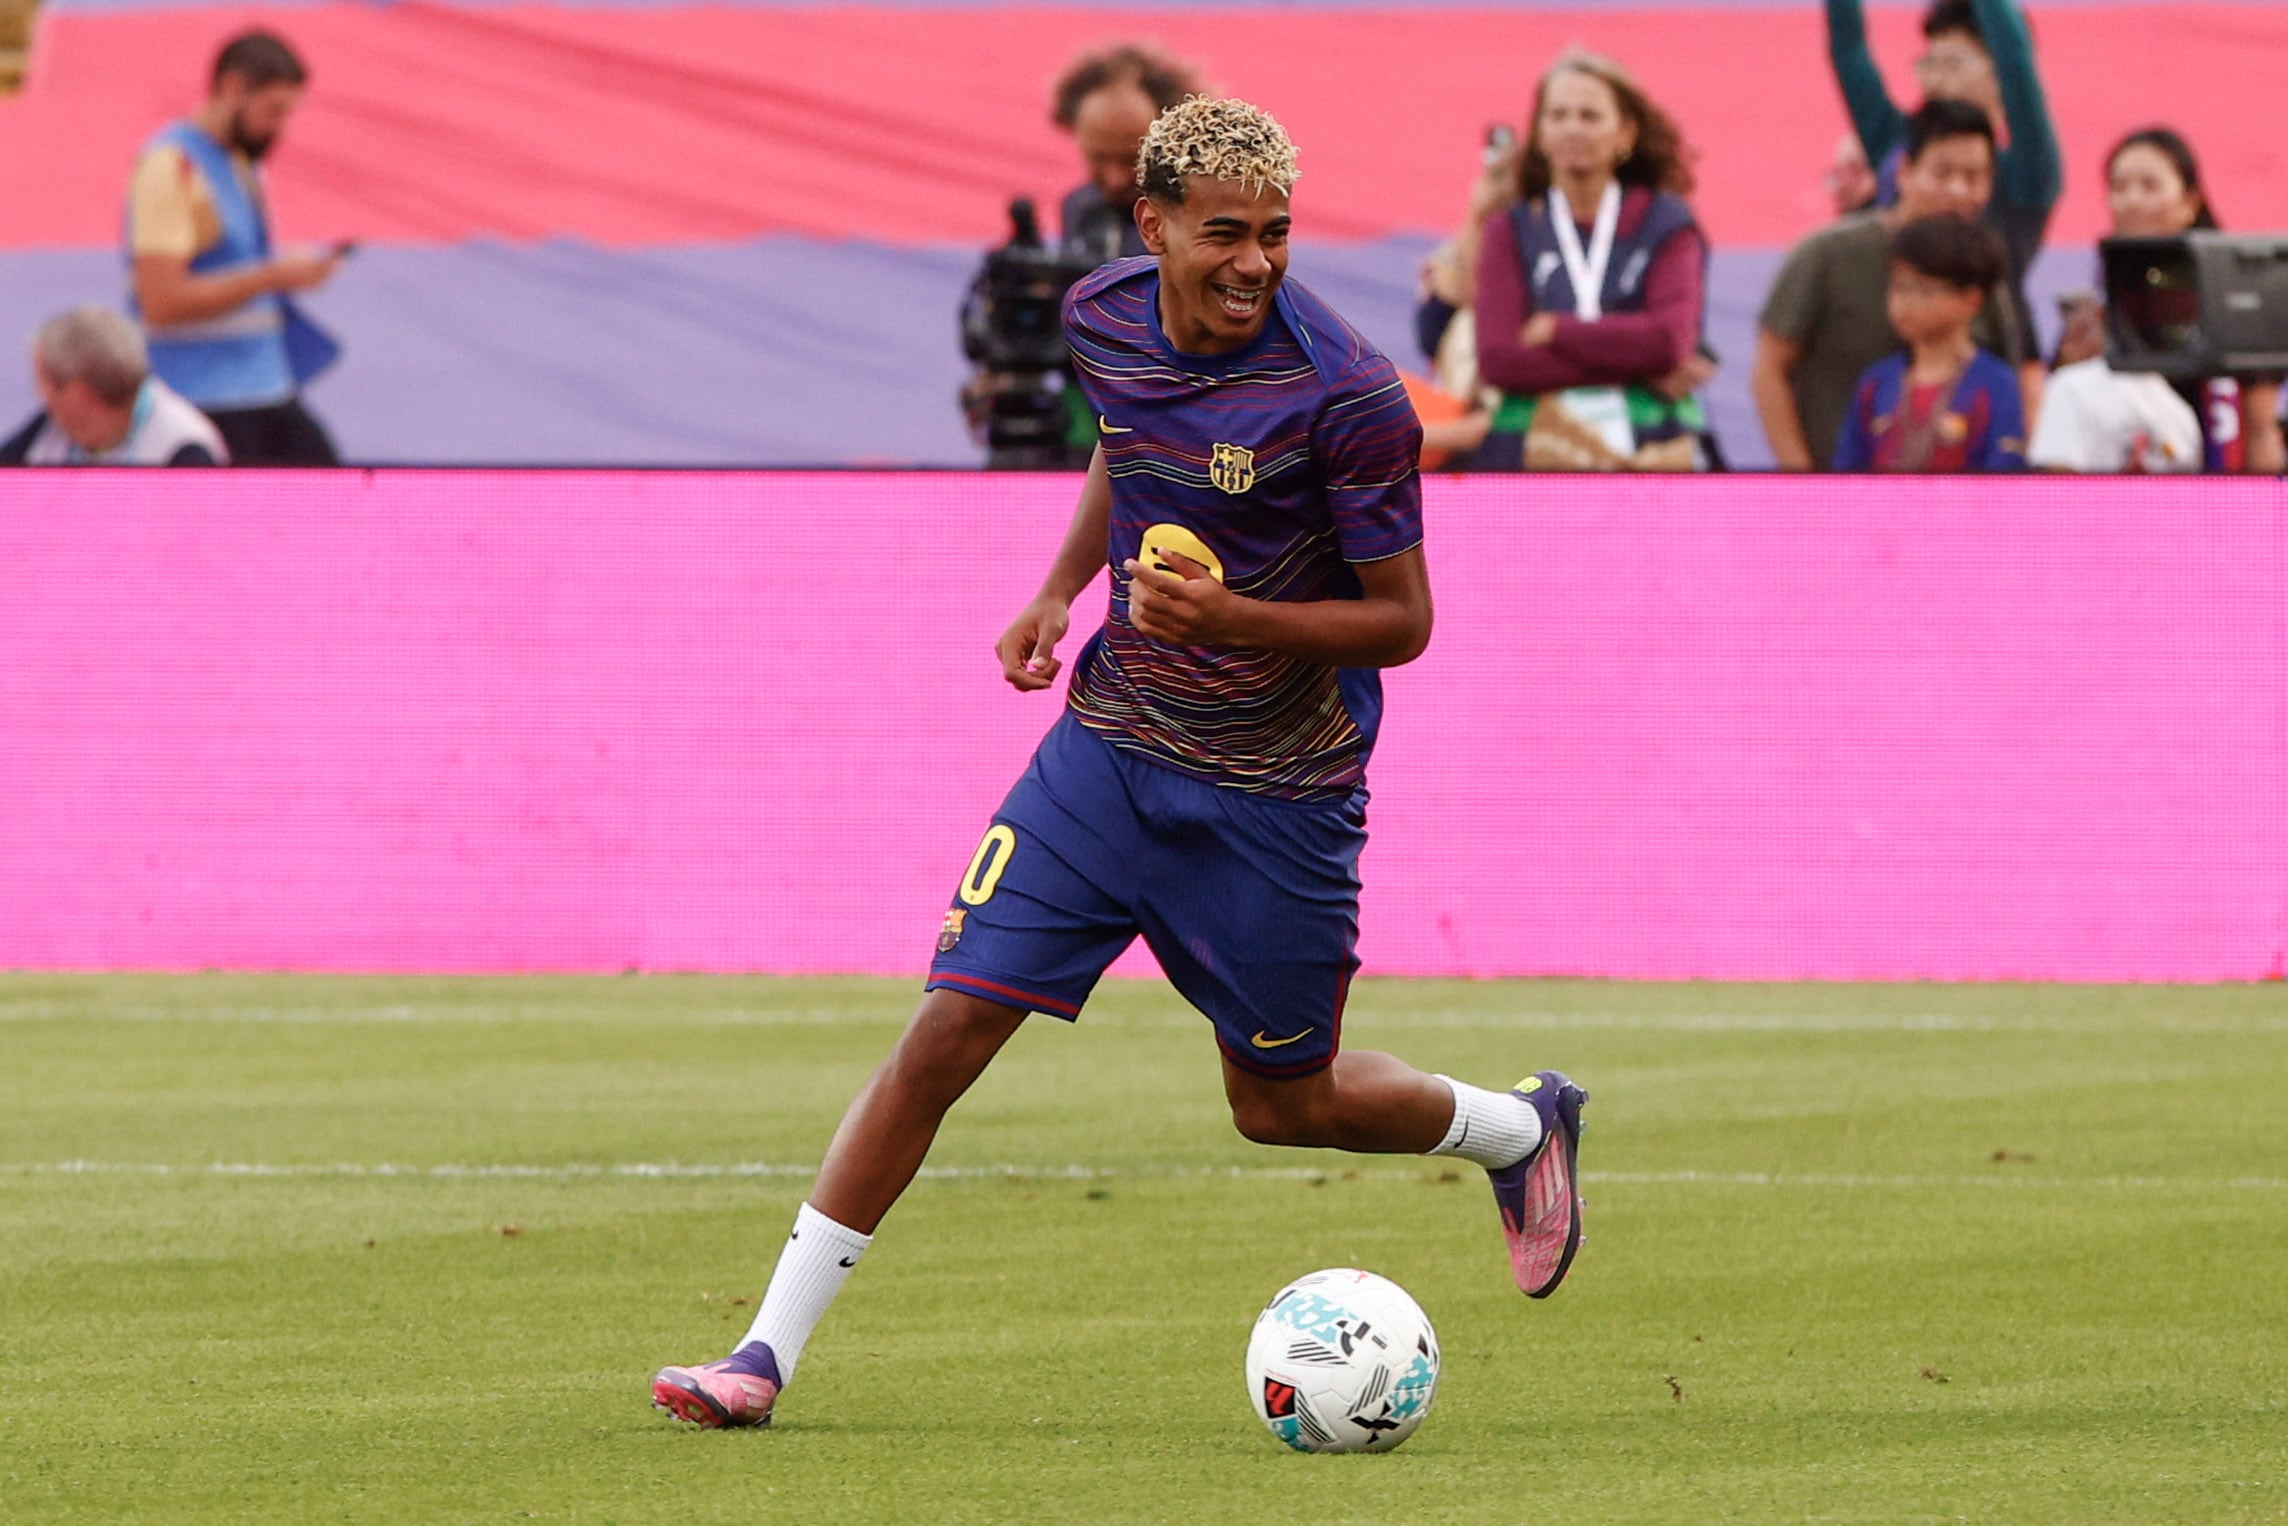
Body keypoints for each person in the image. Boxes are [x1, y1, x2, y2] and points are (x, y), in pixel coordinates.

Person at [651, 96, 1591, 1431]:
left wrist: (1236, 619)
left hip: (1278, 795)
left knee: (1283, 1103)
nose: (1253, 262)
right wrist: (1055, 588)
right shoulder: (1101, 312)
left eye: (1273, 234)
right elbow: (1128, 444)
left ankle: (1517, 1125)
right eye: (1223, 234)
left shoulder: (1350, 393)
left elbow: (1406, 622)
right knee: (948, 1025)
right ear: (1150, 227)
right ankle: (761, 1353)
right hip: (1107, 752)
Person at [1471, 51, 1714, 471]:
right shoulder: (1509, 228)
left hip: (1652, 446)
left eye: (1589, 116)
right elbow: (1498, 358)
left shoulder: (1667, 222)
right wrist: (1634, 367)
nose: (1572, 128)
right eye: (1558, 115)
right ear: (1540, 133)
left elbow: (1668, 340)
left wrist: (1556, 329)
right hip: (1530, 449)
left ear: (1626, 134)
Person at [1754, 98, 2022, 471]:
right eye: (1943, 173)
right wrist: (1803, 482)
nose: (1959, 191)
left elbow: (2011, 379)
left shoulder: (1981, 272)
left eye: (1975, 177)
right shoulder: (1825, 255)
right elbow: (1769, 370)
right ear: (1904, 171)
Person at [126, 29, 343, 466]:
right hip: (206, 398)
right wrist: (272, 275)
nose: (280, 128)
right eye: (272, 111)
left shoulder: (237, 163)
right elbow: (161, 300)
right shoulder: (173, 169)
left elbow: (238, 268)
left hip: (262, 386)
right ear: (231, 89)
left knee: (334, 503)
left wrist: (285, 274)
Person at [1825, 0, 2059, 402]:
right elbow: (1849, 50)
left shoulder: (2026, 171)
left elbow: (2017, 61)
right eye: (1929, 62)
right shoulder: (1894, 145)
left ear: (1997, 75)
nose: (1936, 79)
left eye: (1955, 63)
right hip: (1891, 365)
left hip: (1993, 372)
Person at [2048, 127, 2285, 475]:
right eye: (2119, 186)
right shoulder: (2096, 312)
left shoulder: (2239, 301)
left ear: (2190, 202)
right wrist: (2070, 364)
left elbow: (2261, 432)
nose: (2131, 199)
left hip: (2223, 504)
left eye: (2149, 185)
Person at [1832, 216, 2024, 471]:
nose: (1905, 302)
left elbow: (2003, 475)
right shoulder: (1875, 382)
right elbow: (1845, 474)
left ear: (1971, 300)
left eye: (1923, 289)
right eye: (1898, 287)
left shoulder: (1997, 384)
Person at [0, 306, 228, 466]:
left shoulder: (184, 450)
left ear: (78, 394)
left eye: (42, 380)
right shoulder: (49, 430)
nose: (41, 396)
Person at [1048, 44, 1204, 263]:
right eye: (1098, 158)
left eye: (1133, 159)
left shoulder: (1204, 214)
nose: (1116, 180)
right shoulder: (1078, 207)